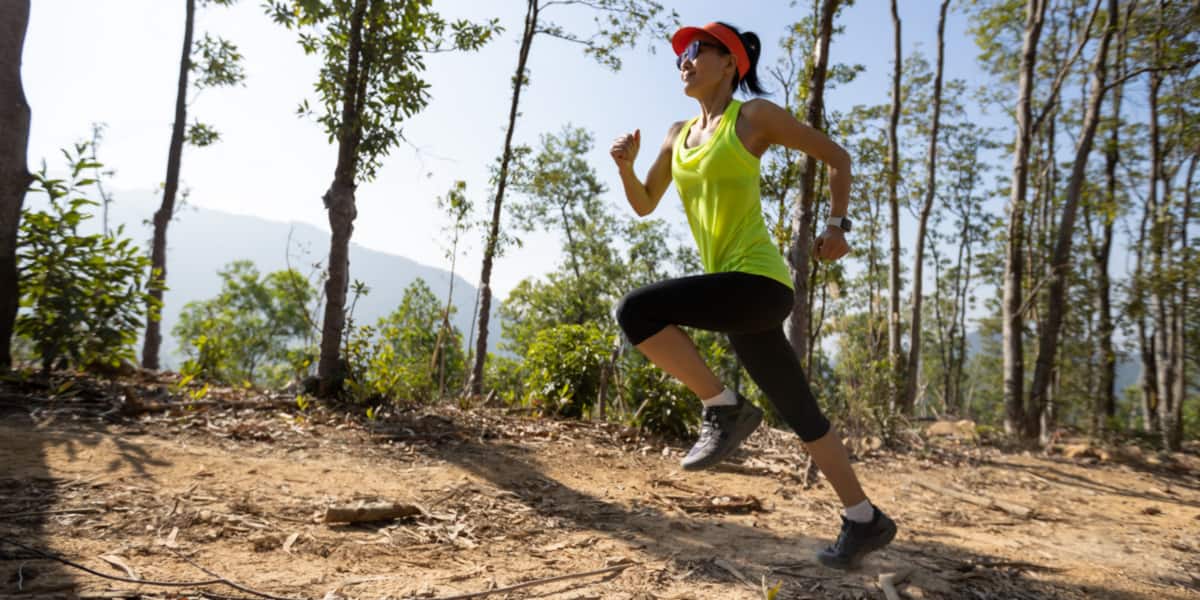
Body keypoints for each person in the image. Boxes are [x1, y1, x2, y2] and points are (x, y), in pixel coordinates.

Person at [609, 21, 896, 570]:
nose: (684, 62)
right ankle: (865, 520)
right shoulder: (677, 134)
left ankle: (723, 408)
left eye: (696, 52)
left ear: (729, 63)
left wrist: (838, 226)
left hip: (760, 284)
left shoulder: (754, 118)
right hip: (737, 297)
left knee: (637, 310)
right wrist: (625, 169)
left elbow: (838, 157)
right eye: (681, 56)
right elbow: (645, 203)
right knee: (802, 414)